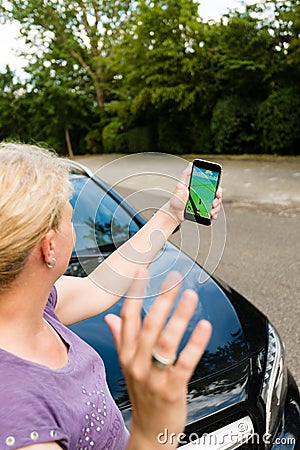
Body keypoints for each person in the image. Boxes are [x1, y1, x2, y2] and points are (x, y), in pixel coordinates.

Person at [0, 143, 222, 450]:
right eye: (70, 218)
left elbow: (100, 286)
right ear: (49, 247)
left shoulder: (34, 306)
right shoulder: (17, 419)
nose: (74, 225)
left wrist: (171, 213)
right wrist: (151, 432)